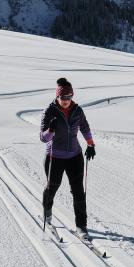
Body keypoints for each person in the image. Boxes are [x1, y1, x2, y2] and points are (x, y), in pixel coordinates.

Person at [39, 77, 96, 236]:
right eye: (63, 97)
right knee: (52, 188)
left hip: (74, 156)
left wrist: (91, 144)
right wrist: (50, 130)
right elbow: (43, 138)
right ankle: (47, 212)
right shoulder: (49, 112)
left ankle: (81, 226)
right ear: (57, 96)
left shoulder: (78, 110)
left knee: (78, 191)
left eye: (69, 97)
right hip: (54, 156)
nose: (66, 101)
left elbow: (84, 127)